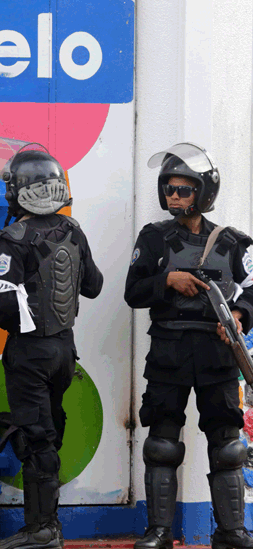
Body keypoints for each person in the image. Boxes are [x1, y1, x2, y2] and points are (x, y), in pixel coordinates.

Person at [0, 147, 103, 549]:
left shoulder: (14, 238)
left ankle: (42, 530)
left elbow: (4, 302)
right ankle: (48, 527)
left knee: (36, 439)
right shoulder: (73, 229)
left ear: (18, 192)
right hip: (65, 349)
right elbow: (93, 286)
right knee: (49, 434)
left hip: (29, 354)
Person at [126, 143, 253, 549]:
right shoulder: (154, 238)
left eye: (184, 189)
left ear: (204, 192)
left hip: (217, 353)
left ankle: (231, 532)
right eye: (169, 189)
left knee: (228, 444)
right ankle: (159, 532)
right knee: (162, 442)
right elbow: (132, 292)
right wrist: (166, 281)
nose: (174, 197)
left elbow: (251, 290)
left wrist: (238, 316)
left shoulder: (232, 242)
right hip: (169, 350)